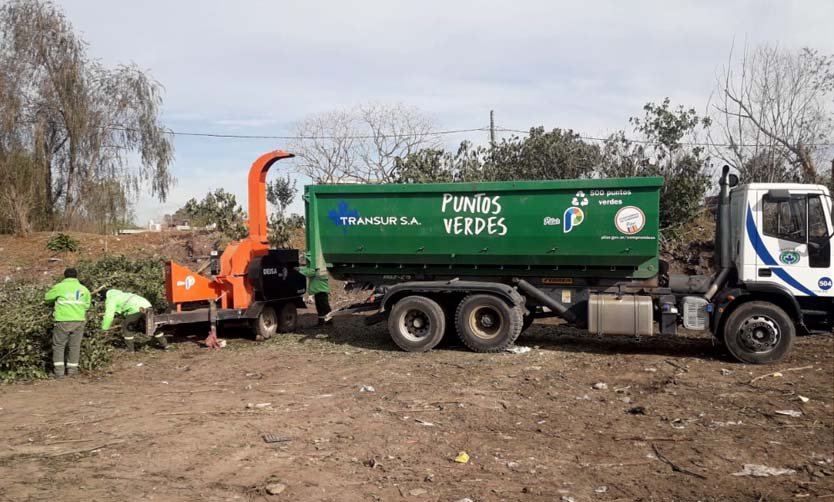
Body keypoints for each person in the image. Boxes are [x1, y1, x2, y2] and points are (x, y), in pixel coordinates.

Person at [44, 268, 91, 377]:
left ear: (64, 276)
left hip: (63, 320)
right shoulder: (84, 289)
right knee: (74, 346)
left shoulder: (60, 287)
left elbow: (47, 298)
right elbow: (87, 305)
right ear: (76, 276)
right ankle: (72, 371)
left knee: (59, 345)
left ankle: (59, 372)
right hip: (79, 320)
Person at [100, 289, 167, 351]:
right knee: (152, 325)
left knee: (127, 327)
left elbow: (109, 315)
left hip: (136, 308)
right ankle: (165, 344)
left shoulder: (111, 299)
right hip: (147, 305)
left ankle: (130, 350)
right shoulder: (121, 294)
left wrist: (104, 328)